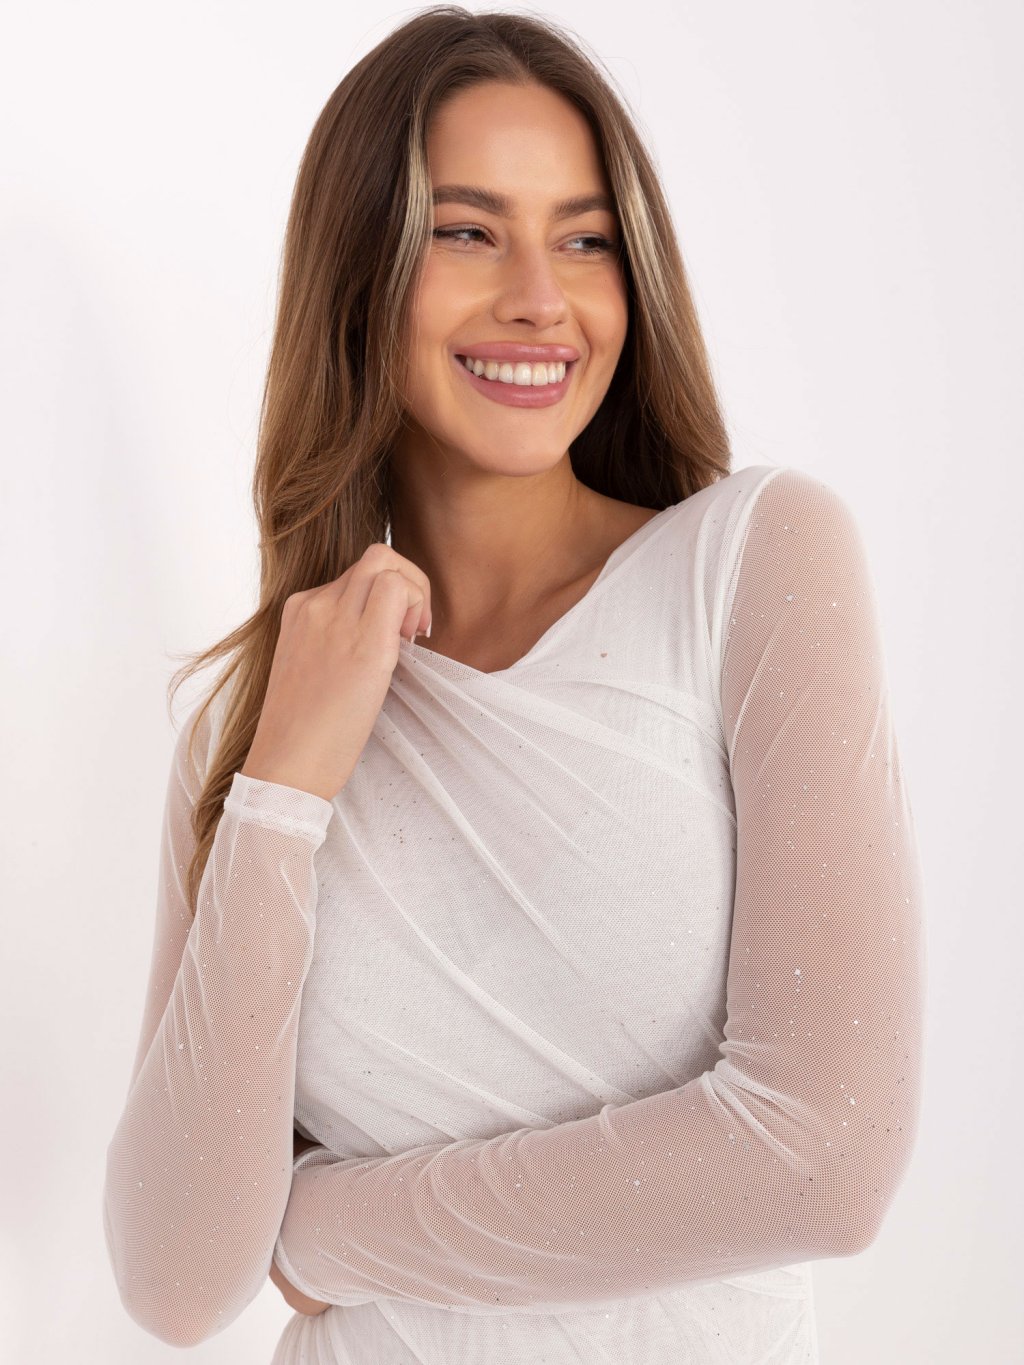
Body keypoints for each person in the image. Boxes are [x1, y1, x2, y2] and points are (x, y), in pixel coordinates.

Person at [101, 7, 926, 1363]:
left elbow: (821, 1163)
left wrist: (313, 1231)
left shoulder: (751, 565)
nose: (542, 296)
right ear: (358, 271)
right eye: (468, 231)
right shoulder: (260, 722)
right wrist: (284, 787)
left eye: (586, 239)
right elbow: (178, 1281)